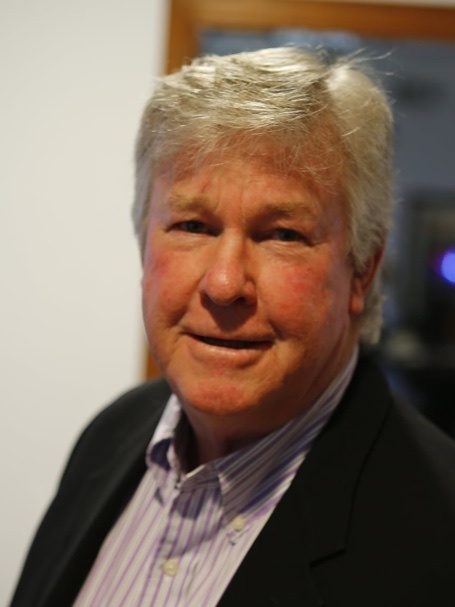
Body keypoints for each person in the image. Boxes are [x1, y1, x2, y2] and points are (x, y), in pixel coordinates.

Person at [10, 47, 455, 607]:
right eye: (192, 226)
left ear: (362, 268)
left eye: (282, 234)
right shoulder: (112, 435)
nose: (223, 285)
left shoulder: (439, 538)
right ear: (143, 245)